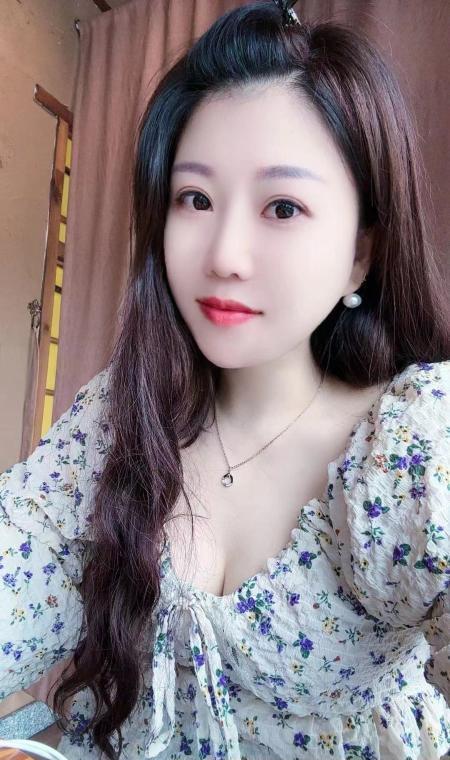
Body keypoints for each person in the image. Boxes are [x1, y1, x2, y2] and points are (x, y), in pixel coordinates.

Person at [1, 2, 449, 758]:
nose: (224, 256)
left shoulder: (411, 451)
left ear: (360, 255)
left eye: (283, 207)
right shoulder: (118, 416)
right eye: (196, 199)